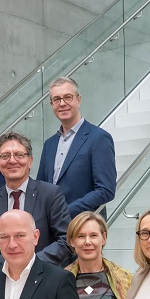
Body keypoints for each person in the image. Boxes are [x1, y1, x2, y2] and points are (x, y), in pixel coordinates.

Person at [0, 132, 72, 266]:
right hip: (3, 278)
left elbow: (66, 239)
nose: (12, 160)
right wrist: (10, 267)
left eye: (19, 155)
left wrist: (32, 265)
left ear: (30, 161)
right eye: (5, 156)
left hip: (44, 275)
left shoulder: (51, 194)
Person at [37, 77, 116, 217]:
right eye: (56, 99)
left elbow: (106, 190)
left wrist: (67, 211)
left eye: (68, 97)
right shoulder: (49, 144)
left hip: (84, 226)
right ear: (51, 104)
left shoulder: (98, 138)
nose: (62, 103)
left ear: (78, 100)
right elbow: (41, 188)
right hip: (52, 228)